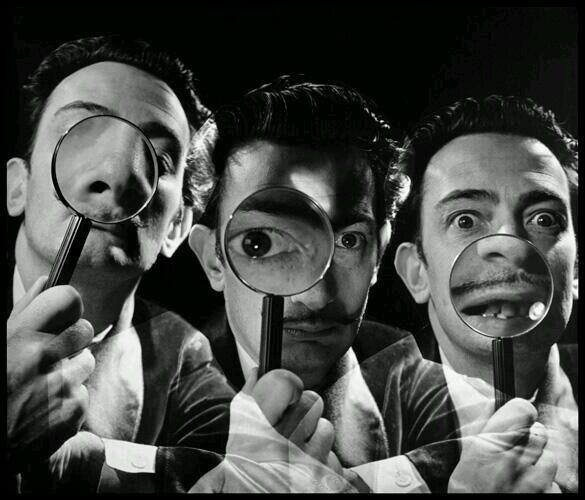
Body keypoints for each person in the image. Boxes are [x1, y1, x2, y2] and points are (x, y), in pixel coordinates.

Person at [6, 36, 345, 493]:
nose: (119, 176)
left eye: (160, 159)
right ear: (17, 186)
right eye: (80, 134)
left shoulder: (185, 360)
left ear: (177, 228)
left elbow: (232, 471)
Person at [188, 77, 559, 492]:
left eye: (348, 241)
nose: (315, 295)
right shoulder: (156, 399)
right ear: (212, 259)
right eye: (261, 243)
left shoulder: (449, 403)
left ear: (379, 253)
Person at [393, 95, 578, 492]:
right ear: (417, 272)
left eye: (544, 219)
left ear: (577, 269)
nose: (511, 247)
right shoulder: (344, 427)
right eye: (465, 220)